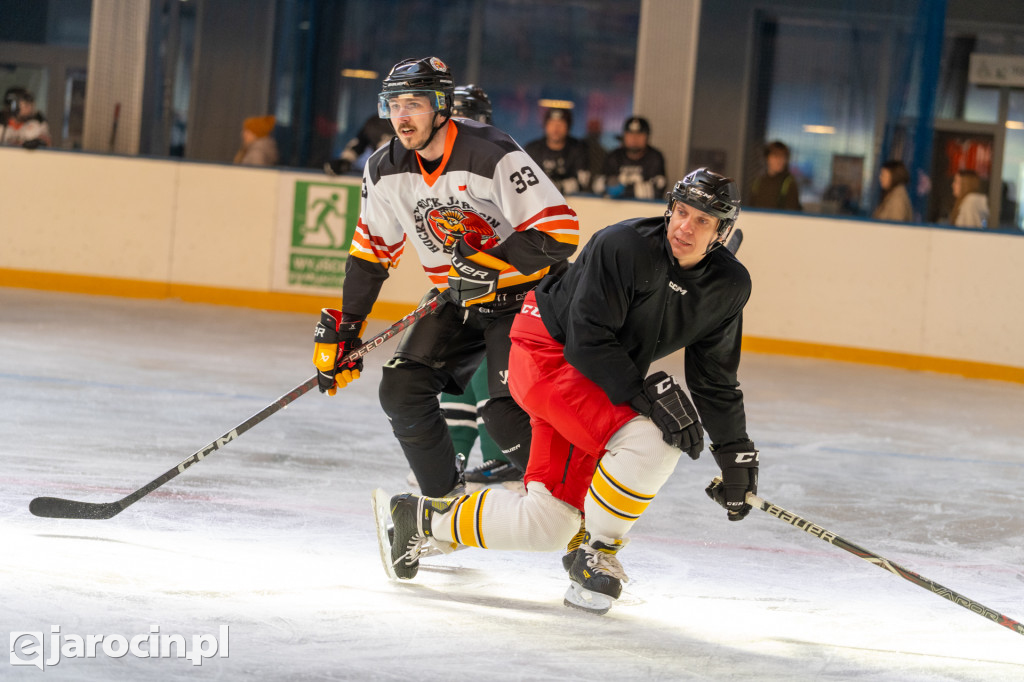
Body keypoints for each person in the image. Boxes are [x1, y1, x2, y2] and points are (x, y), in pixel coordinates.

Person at [384, 168, 758, 617]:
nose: (685, 227)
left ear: (722, 232)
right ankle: (597, 551)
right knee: (655, 440)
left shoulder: (729, 286)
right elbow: (587, 338)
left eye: (702, 221)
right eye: (681, 212)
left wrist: (735, 454)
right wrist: (643, 398)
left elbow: (714, 377)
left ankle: (423, 519)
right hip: (545, 351)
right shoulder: (623, 245)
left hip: (594, 372)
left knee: (549, 524)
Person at [313, 56, 579, 499]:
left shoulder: (491, 152)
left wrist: (491, 263)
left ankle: (579, 501)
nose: (401, 116)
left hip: (526, 296)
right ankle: (444, 506)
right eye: (394, 104)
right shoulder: (383, 168)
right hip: (458, 296)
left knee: (505, 416)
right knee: (401, 389)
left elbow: (560, 232)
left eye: (413, 104)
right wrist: (347, 329)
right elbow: (371, 253)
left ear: (442, 106)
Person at [592, 116, 667, 200]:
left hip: (644, 209)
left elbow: (657, 190)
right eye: (630, 134)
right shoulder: (614, 156)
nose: (634, 138)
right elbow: (596, 186)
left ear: (647, 137)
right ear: (624, 136)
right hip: (614, 209)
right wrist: (608, 183)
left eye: (639, 134)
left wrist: (623, 190)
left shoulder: (654, 157)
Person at [523, 107, 590, 195]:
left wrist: (558, 187)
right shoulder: (532, 149)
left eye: (560, 124)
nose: (555, 129)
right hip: (538, 201)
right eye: (552, 124)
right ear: (545, 126)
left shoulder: (578, 149)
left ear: (568, 127)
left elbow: (583, 181)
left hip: (571, 203)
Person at [325, 114, 395, 176]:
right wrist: (344, 161)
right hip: (382, 173)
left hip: (404, 172)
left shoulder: (404, 120)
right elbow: (359, 144)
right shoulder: (374, 124)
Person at [746, 140, 801, 210]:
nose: (780, 161)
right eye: (776, 156)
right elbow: (751, 207)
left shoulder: (789, 183)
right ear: (767, 158)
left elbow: (792, 212)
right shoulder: (758, 181)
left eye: (783, 157)